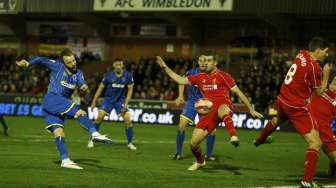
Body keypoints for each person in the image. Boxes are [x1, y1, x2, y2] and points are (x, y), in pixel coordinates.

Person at [156, 51, 263, 171]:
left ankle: (233, 136)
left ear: (215, 62)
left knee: (223, 109)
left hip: (224, 106)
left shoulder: (223, 76)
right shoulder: (200, 77)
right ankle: (200, 161)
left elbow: (238, 92)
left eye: (209, 60)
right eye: (204, 61)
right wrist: (165, 67)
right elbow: (180, 80)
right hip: (209, 113)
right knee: (193, 144)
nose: (206, 63)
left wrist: (250, 109)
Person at [16, 49, 112, 170]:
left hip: (54, 106)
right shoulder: (57, 66)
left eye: (74, 60)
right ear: (64, 63)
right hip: (53, 99)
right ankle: (94, 133)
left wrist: (85, 88)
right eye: (70, 62)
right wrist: (28, 63)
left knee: (59, 132)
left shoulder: (78, 73)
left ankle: (65, 160)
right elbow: (41, 59)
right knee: (80, 112)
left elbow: (82, 85)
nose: (73, 63)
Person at [253, 37, 331, 187]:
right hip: (296, 106)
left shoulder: (301, 54)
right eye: (325, 52)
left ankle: (259, 140)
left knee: (276, 120)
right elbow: (319, 93)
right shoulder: (315, 68)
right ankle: (307, 181)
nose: (327, 55)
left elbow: (301, 79)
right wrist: (326, 75)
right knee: (315, 142)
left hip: (283, 98)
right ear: (318, 50)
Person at [90, 59, 136, 150]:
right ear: (113, 65)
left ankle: (130, 143)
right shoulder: (108, 75)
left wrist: (125, 105)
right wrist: (93, 101)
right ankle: (91, 139)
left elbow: (130, 91)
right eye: (117, 64)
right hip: (108, 100)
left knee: (128, 121)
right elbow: (100, 88)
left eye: (120, 64)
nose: (118, 66)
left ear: (122, 65)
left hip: (120, 101)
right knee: (99, 117)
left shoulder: (128, 76)